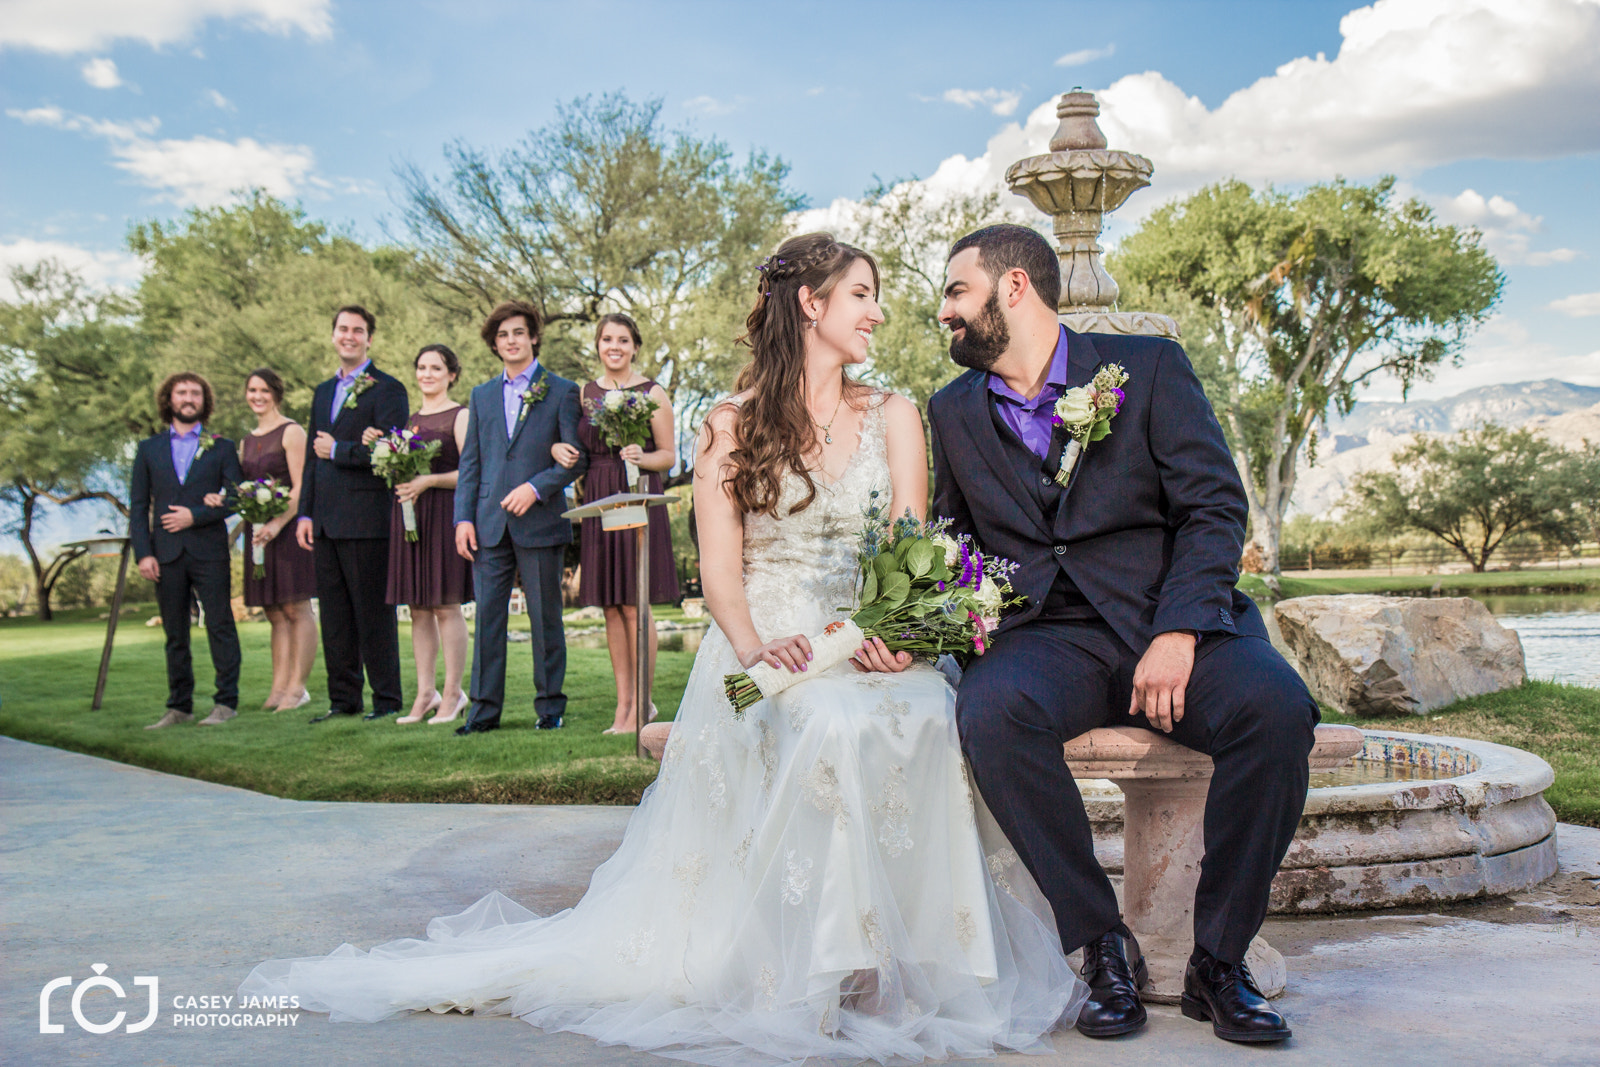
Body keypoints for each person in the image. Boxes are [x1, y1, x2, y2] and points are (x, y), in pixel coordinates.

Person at [240, 234, 1088, 1065]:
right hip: (762, 640)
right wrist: (759, 648)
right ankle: (823, 966)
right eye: (861, 294)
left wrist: (897, 638)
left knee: (936, 710)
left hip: (867, 637)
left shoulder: (898, 415)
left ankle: (912, 962)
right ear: (811, 304)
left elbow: (909, 544)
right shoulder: (731, 424)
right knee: (826, 724)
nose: (878, 311)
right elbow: (721, 572)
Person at [928, 224, 1318, 1044]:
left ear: (1014, 289)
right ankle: (1102, 946)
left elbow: (1214, 507)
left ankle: (1219, 960)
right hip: (1048, 637)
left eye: (956, 292)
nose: (944, 313)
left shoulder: (1147, 369)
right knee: (991, 714)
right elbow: (956, 539)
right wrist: (945, 613)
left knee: (1278, 709)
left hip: (1171, 621)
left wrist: (1180, 628)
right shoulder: (952, 410)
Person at [453, 301, 586, 735]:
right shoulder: (481, 395)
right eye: (503, 335)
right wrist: (463, 519)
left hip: (541, 519)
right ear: (495, 344)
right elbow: (472, 462)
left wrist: (536, 487)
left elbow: (574, 458)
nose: (511, 340)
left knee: (546, 620)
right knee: (487, 620)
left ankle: (550, 708)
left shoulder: (562, 390)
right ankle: (483, 713)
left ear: (533, 338)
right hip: (488, 523)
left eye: (518, 333)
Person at [552, 313, 679, 734]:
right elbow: (575, 446)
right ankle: (623, 706)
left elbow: (669, 455)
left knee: (633, 602)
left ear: (635, 347)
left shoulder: (652, 391)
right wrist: (559, 449)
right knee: (610, 605)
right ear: (598, 345)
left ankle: (643, 703)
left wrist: (640, 457)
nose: (615, 346)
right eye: (607, 339)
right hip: (601, 498)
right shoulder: (584, 394)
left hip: (638, 493)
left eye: (623, 340)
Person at [295, 305, 410, 723]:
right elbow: (312, 457)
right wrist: (305, 513)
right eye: (342, 329)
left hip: (366, 519)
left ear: (369, 339)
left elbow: (393, 453)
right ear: (333, 335)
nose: (349, 336)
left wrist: (340, 450)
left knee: (372, 615)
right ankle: (343, 701)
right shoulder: (323, 391)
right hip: (324, 521)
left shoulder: (388, 389)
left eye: (357, 330)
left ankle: (386, 700)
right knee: (336, 616)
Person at [361, 345, 473, 725]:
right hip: (410, 520)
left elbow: (471, 473)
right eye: (422, 367)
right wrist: (382, 451)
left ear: (451, 374)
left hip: (443, 515)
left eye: (436, 368)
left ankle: (455, 692)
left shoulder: (460, 416)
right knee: (417, 609)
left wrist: (429, 481)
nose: (427, 374)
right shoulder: (407, 423)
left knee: (445, 605)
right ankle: (426, 692)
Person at [131, 372, 243, 729]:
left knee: (221, 626)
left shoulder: (223, 448)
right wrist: (143, 553)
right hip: (164, 555)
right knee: (175, 634)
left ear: (204, 401)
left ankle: (226, 703)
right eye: (182, 392)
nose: (189, 398)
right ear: (170, 400)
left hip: (209, 550)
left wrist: (195, 516)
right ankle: (179, 706)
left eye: (195, 393)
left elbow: (237, 497)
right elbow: (137, 506)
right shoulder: (148, 449)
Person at [235, 368, 317, 711]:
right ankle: (278, 687)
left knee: (296, 608)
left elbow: (301, 486)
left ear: (276, 394)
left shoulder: (291, 431)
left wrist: (279, 522)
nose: (257, 396)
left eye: (264, 390)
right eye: (252, 390)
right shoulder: (246, 441)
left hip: (287, 533)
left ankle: (299, 687)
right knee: (273, 612)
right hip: (258, 535)